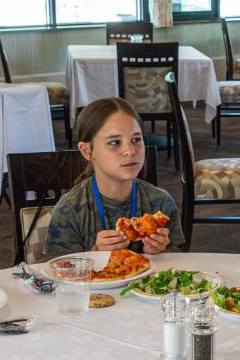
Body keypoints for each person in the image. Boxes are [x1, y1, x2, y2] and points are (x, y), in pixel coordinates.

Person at [45, 97, 184, 256]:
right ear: (87, 151)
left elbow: (177, 265)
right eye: (114, 142)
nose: (130, 150)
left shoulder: (161, 202)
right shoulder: (69, 210)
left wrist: (159, 252)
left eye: (136, 140)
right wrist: (95, 253)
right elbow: (58, 273)